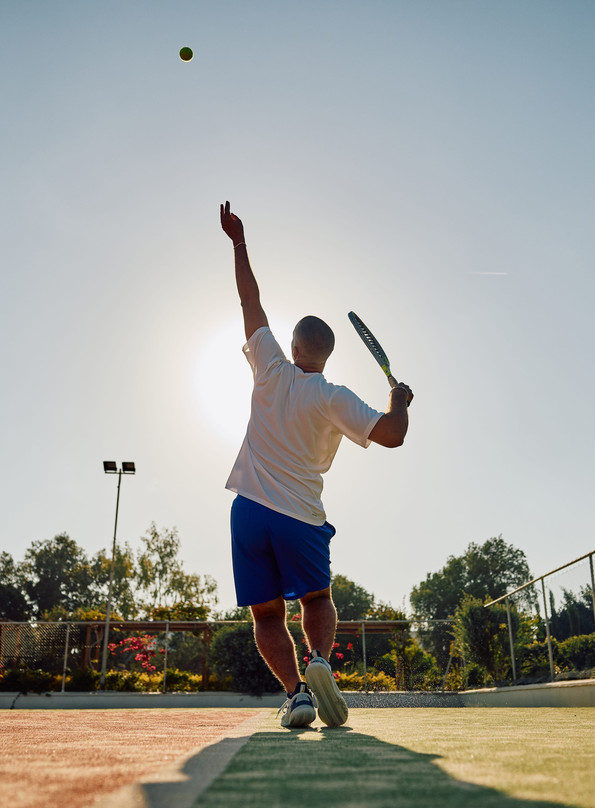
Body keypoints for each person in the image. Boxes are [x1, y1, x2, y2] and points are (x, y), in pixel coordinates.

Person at [219, 201, 414, 729]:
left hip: (249, 512)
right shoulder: (332, 394)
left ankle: (296, 695)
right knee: (317, 598)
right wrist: (400, 402)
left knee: (265, 614)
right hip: (299, 515)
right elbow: (392, 437)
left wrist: (238, 241)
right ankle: (321, 661)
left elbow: (249, 299)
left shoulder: (268, 367)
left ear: (292, 346)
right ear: (325, 355)